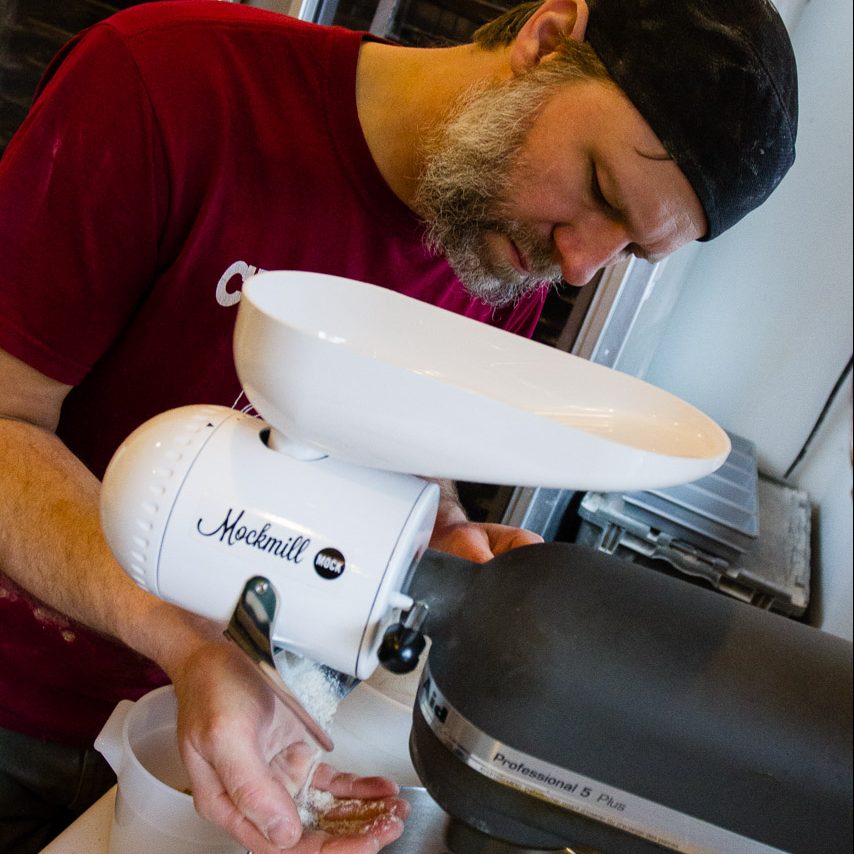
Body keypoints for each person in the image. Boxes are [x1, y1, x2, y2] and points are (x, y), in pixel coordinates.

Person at [0, 0, 797, 851]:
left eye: (627, 249)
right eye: (599, 186)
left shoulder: (502, 256)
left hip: (205, 726)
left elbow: (387, 454)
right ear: (548, 39)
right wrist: (187, 646)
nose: (576, 263)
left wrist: (436, 530)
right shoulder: (167, 85)